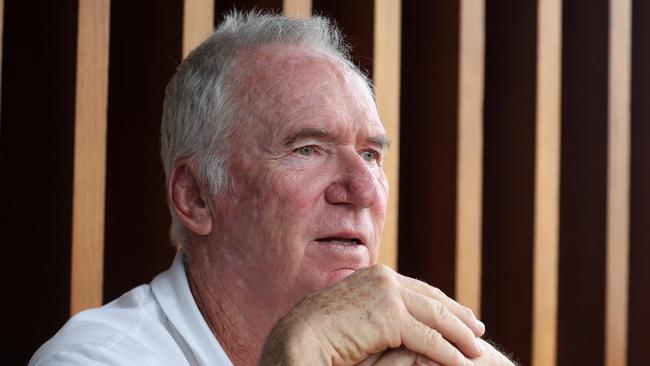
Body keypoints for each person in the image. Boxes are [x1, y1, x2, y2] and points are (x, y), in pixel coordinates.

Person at [30, 11, 515, 366]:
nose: (364, 188)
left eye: (370, 154)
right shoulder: (93, 358)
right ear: (196, 196)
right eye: (308, 148)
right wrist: (297, 354)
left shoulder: (405, 353)